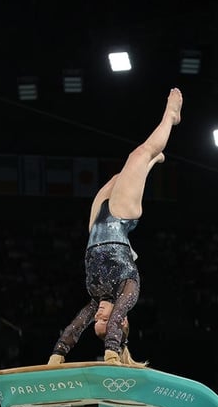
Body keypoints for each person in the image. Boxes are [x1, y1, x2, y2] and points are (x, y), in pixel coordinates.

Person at [47, 87, 183, 366]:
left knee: (116, 177)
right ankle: (170, 117)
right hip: (120, 220)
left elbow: (75, 326)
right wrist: (111, 350)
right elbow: (116, 319)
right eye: (106, 320)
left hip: (95, 229)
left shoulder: (97, 300)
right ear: (119, 322)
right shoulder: (128, 291)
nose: (99, 316)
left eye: (98, 320)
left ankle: (153, 161)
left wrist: (56, 355)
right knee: (139, 153)